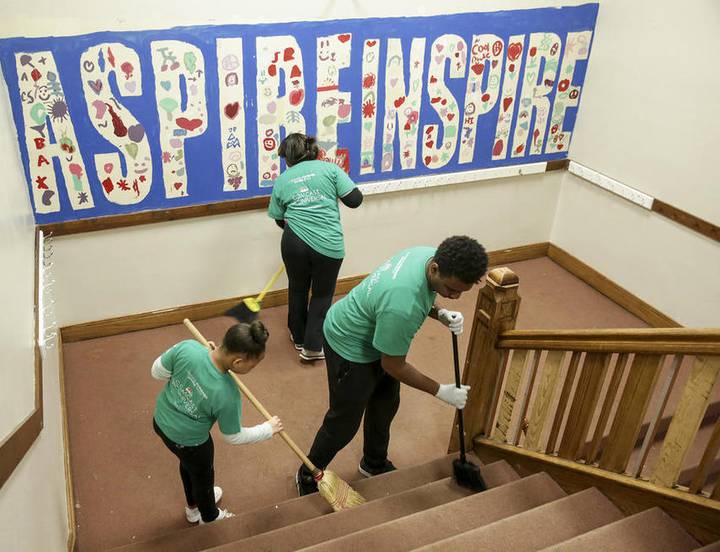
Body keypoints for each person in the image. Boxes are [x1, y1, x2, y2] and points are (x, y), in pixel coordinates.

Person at [295, 236, 489, 495]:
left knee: (386, 403)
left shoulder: (428, 255)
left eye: (461, 292)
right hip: (349, 346)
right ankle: (308, 474)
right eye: (451, 289)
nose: (455, 296)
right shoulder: (402, 305)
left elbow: (423, 294)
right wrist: (440, 390)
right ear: (435, 269)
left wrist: (439, 312)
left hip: (378, 336)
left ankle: (373, 463)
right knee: (344, 422)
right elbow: (393, 365)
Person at [151, 321, 283, 523]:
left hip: (160, 422)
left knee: (188, 465)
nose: (253, 368)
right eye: (254, 365)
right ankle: (209, 517)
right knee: (202, 478)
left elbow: (157, 371)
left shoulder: (189, 347)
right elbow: (233, 437)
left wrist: (193, 369)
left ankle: (193, 508)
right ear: (238, 362)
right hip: (191, 442)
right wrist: (267, 429)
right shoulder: (228, 393)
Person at [267, 133, 363, 362]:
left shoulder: (283, 179)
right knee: (321, 294)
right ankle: (312, 346)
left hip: (293, 242)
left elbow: (279, 219)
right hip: (328, 243)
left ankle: (297, 335)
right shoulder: (330, 170)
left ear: (289, 158)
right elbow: (355, 200)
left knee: (297, 287)